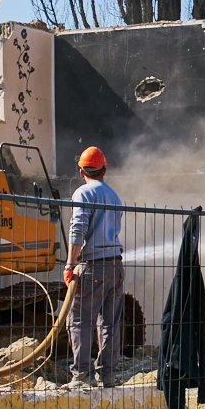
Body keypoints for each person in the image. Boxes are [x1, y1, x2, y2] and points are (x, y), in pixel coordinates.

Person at [64, 146, 125, 388]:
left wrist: (70, 264)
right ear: (104, 170)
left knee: (80, 320)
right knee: (110, 323)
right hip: (116, 267)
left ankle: (81, 376)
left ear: (81, 171)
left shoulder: (83, 193)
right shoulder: (113, 196)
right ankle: (108, 375)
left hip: (94, 266)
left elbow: (77, 229)